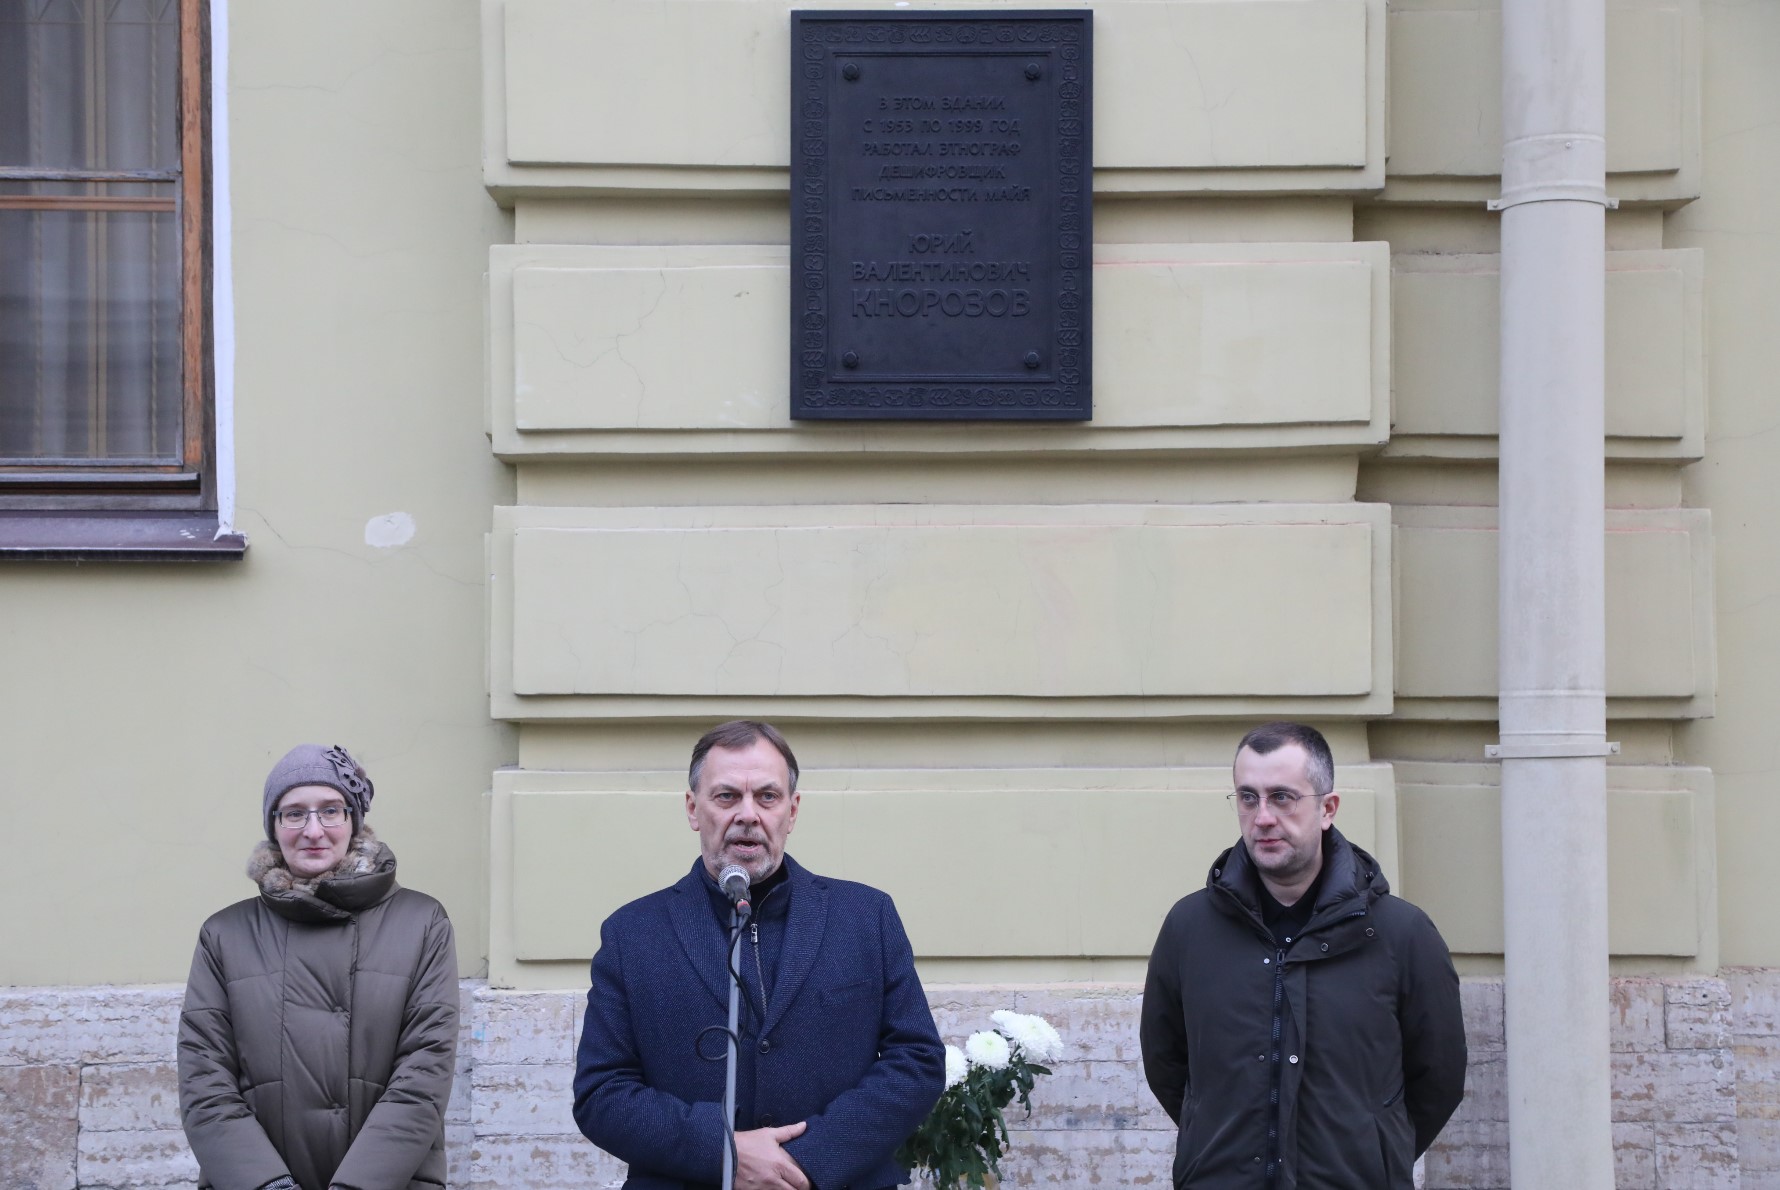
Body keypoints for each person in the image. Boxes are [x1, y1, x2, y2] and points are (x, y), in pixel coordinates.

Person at [573, 719, 945, 1190]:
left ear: (792, 810)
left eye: (766, 797)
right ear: (693, 808)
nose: (748, 814)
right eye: (727, 796)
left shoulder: (865, 916)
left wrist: (804, 1164)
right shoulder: (632, 933)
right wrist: (724, 1153)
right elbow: (602, 1094)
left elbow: (917, 1060)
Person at [1140, 722, 1467, 1189]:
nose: (1263, 817)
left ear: (1328, 808)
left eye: (1283, 797)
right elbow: (1166, 1063)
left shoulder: (1401, 934)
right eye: (1248, 798)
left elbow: (1438, 1078)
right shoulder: (1190, 929)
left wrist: (1375, 1152)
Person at [178, 745, 458, 1190]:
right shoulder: (224, 934)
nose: (313, 830)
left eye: (330, 810)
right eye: (293, 814)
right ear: (274, 825)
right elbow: (204, 1078)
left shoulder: (422, 922)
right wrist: (267, 1184)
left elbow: (424, 1072)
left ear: (354, 821)